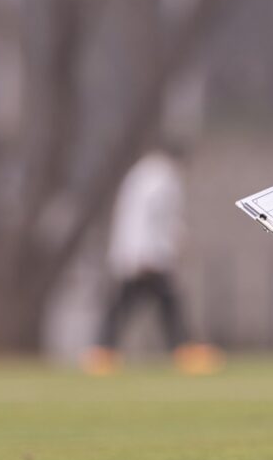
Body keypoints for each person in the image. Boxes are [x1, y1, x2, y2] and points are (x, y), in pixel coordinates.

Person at [81, 144, 222, 376]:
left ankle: (102, 352)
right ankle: (184, 351)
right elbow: (152, 219)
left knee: (133, 305)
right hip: (147, 257)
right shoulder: (161, 178)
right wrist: (149, 253)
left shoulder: (142, 174)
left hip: (136, 254)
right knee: (163, 304)